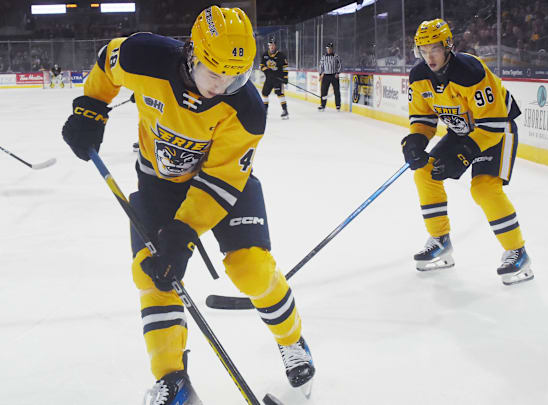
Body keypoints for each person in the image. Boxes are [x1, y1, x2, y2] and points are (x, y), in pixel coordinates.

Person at [61, 6, 315, 404]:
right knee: (152, 275)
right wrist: (90, 107)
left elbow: (223, 178)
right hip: (159, 184)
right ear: (192, 54)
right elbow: (108, 61)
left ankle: (292, 340)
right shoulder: (142, 56)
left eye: (236, 76)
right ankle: (173, 379)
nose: (223, 85)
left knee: (249, 268)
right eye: (215, 73)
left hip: (221, 186)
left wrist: (184, 232)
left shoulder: (245, 109)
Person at [401, 19, 533, 285]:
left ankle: (517, 251)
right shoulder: (418, 77)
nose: (429, 56)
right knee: (424, 172)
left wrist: (462, 154)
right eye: (423, 50)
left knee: (483, 188)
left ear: (448, 46)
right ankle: (440, 240)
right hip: (463, 132)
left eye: (435, 49)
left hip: (497, 130)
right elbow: (423, 120)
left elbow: (492, 124)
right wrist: (415, 141)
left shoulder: (470, 71)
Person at [260, 37, 289, 119]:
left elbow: (285, 67)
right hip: (269, 79)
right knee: (264, 93)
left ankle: (285, 110)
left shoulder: (281, 55)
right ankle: (265, 110)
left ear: (275, 45)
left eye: (273, 45)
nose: (271, 47)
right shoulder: (265, 55)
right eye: (270, 45)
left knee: (280, 94)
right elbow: (261, 66)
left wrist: (285, 77)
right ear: (268, 46)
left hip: (278, 79)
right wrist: (267, 71)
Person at [318, 42, 341, 111]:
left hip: (334, 76)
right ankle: (323, 105)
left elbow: (340, 65)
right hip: (326, 76)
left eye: (330, 48)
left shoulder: (336, 56)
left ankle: (338, 105)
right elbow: (321, 66)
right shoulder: (323, 57)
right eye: (328, 48)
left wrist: (337, 73)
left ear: (332, 49)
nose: (329, 50)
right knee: (324, 91)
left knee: (336, 91)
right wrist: (320, 74)